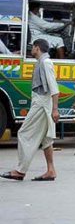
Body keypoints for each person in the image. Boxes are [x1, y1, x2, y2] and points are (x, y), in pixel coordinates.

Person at [1, 39, 60, 181]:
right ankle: (51, 170)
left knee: (24, 133)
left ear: (37, 48)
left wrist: (55, 109)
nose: (31, 50)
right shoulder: (43, 62)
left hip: (41, 103)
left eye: (32, 47)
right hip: (43, 102)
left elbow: (54, 88)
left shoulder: (45, 63)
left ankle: (20, 170)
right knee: (46, 140)